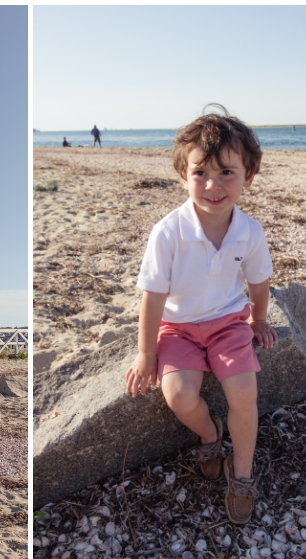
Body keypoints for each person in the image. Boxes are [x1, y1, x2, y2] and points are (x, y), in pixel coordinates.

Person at [125, 104, 278, 525]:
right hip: (179, 328)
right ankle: (209, 437)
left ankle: (242, 475)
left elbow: (258, 282)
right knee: (178, 396)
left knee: (244, 393)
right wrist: (146, 353)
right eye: (200, 173)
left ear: (249, 175)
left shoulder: (249, 230)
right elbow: (153, 297)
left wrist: (259, 319)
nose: (213, 184)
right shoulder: (168, 231)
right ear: (183, 175)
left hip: (229, 322)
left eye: (227, 172)